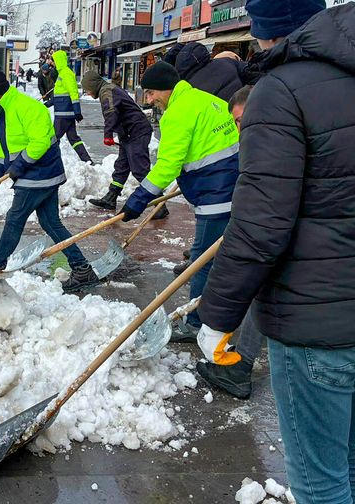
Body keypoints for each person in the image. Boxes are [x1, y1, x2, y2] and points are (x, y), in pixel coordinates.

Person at [196, 2, 355, 503]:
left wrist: (217, 317)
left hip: (315, 329)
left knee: (320, 483)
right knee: (350, 460)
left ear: (269, 33)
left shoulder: (279, 92)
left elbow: (260, 225)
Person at [118, 61, 239, 334]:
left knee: (201, 260)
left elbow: (167, 166)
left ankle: (196, 324)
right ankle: (221, 310)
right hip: (236, 186)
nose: (149, 100)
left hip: (217, 194)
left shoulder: (176, 114)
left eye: (151, 93)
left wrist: (138, 199)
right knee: (219, 257)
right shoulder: (207, 100)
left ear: (166, 89)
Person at [0, 69, 100, 293]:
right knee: (51, 223)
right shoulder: (3, 111)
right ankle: (82, 267)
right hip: (34, 173)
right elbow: (5, 150)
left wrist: (18, 167)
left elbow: (40, 142)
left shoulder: (26, 107)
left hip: (40, 173)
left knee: (15, 217)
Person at [194, 84, 256, 400]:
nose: (238, 128)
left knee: (261, 290)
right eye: (235, 122)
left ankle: (240, 368)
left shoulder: (271, 143)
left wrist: (215, 319)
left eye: (242, 120)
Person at [169, 41, 247, 276]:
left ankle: (202, 256)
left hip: (223, 154)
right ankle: (206, 250)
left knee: (215, 212)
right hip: (240, 140)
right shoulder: (227, 65)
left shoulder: (194, 90)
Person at [80, 70, 166, 220]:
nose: (87, 92)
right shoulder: (108, 89)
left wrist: (107, 135)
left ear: (93, 85)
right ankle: (111, 197)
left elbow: (111, 112)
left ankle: (159, 204)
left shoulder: (106, 91)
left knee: (140, 169)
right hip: (128, 133)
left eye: (87, 88)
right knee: (122, 166)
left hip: (136, 131)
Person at [49, 50, 93, 163]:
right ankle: (87, 160)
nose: (51, 63)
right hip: (65, 113)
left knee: (53, 139)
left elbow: (73, 92)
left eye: (53, 61)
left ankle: (50, 161)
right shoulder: (62, 73)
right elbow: (60, 94)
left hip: (63, 114)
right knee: (74, 138)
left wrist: (77, 111)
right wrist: (48, 104)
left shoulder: (66, 73)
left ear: (58, 61)